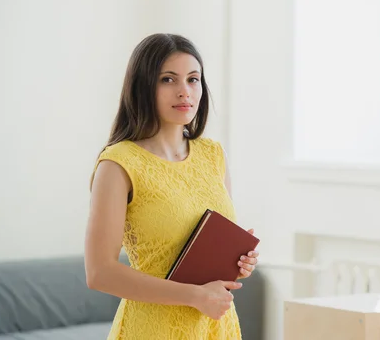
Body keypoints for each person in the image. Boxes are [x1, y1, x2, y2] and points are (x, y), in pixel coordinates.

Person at [84, 33, 259, 339]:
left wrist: (241, 262)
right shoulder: (118, 163)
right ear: (143, 86)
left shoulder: (213, 155)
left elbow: (212, 245)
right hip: (153, 329)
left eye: (193, 79)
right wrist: (194, 296)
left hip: (215, 327)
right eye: (168, 79)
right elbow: (99, 273)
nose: (184, 91)